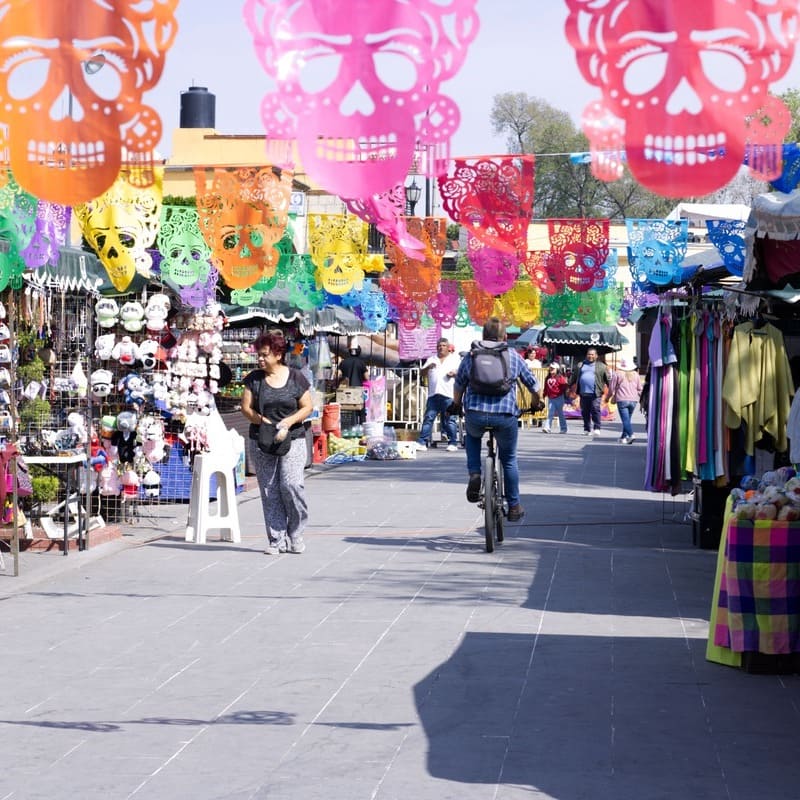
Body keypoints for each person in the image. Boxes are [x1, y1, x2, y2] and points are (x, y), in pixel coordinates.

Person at [452, 317, 540, 523]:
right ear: (504, 336)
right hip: (504, 416)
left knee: (472, 437)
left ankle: (475, 473)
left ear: (483, 335)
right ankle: (514, 506)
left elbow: (459, 384)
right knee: (509, 459)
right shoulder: (513, 356)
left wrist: (456, 404)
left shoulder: (472, 355)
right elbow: (533, 385)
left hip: (475, 412)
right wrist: (537, 402)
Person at [241, 330, 313, 555]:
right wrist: (262, 421)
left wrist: (288, 422)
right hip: (262, 439)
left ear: (278, 355)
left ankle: (296, 533)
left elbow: (307, 407)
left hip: (293, 437)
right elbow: (246, 408)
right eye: (259, 355)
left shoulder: (296, 378)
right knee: (269, 489)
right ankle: (277, 539)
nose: (260, 359)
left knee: (291, 485)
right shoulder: (254, 379)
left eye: (265, 355)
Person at [417, 337, 462, 451]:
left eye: (443, 346)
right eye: (439, 346)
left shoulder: (455, 359)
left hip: (449, 394)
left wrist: (454, 373)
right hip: (434, 394)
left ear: (448, 347)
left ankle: (453, 443)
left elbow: (462, 373)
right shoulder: (431, 359)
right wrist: (428, 367)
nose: (441, 348)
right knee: (428, 418)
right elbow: (422, 373)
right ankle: (422, 442)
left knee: (450, 420)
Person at [569, 347, 610, 437]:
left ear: (596, 356)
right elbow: (574, 377)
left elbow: (608, 379)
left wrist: (611, 390)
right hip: (583, 392)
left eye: (592, 354)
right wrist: (568, 386)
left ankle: (597, 428)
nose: (590, 356)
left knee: (595, 409)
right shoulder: (581, 365)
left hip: (596, 393)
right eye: (589, 354)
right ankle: (587, 429)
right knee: (585, 412)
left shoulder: (602, 366)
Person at [609, 357, 643, 444]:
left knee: (625, 420)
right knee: (627, 420)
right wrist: (642, 399)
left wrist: (608, 397)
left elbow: (611, 388)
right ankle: (623, 438)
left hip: (622, 399)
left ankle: (631, 435)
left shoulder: (617, 374)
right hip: (634, 400)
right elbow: (639, 388)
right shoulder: (636, 374)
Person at [541, 362, 569, 433]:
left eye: (553, 369)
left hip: (559, 398)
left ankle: (563, 428)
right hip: (551, 398)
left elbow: (564, 386)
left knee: (560, 413)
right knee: (550, 413)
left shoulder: (560, 378)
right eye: (550, 368)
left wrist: (565, 391)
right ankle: (547, 427)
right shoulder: (547, 378)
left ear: (557, 369)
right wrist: (543, 396)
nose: (551, 370)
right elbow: (546, 388)